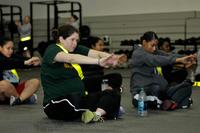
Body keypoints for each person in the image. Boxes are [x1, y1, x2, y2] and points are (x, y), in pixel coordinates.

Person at [41, 24, 126, 123]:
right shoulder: (52, 50)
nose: (75, 43)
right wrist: (98, 62)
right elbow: (71, 58)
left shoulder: (74, 48)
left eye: (76, 40)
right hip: (55, 104)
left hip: (80, 95)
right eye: (72, 40)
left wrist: (113, 57)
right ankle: (107, 107)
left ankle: (96, 114)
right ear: (61, 39)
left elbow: (96, 53)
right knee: (74, 99)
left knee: (113, 93)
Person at [129, 31, 196, 111]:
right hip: (143, 92)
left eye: (156, 45)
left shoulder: (152, 51)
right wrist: (178, 60)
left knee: (187, 86)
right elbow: (155, 60)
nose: (154, 48)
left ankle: (170, 103)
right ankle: (174, 102)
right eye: (152, 45)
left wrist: (185, 57)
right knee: (156, 89)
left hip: (161, 90)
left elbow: (167, 55)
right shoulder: (138, 54)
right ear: (144, 42)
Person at [0, 37, 40, 106]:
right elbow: (10, 62)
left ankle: (18, 100)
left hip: (15, 90)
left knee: (35, 82)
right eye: (8, 48)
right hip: (3, 94)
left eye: (12, 48)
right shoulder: (2, 59)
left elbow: (21, 59)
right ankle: (23, 98)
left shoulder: (11, 56)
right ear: (0, 48)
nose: (11, 51)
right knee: (3, 84)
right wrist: (25, 62)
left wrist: (33, 61)